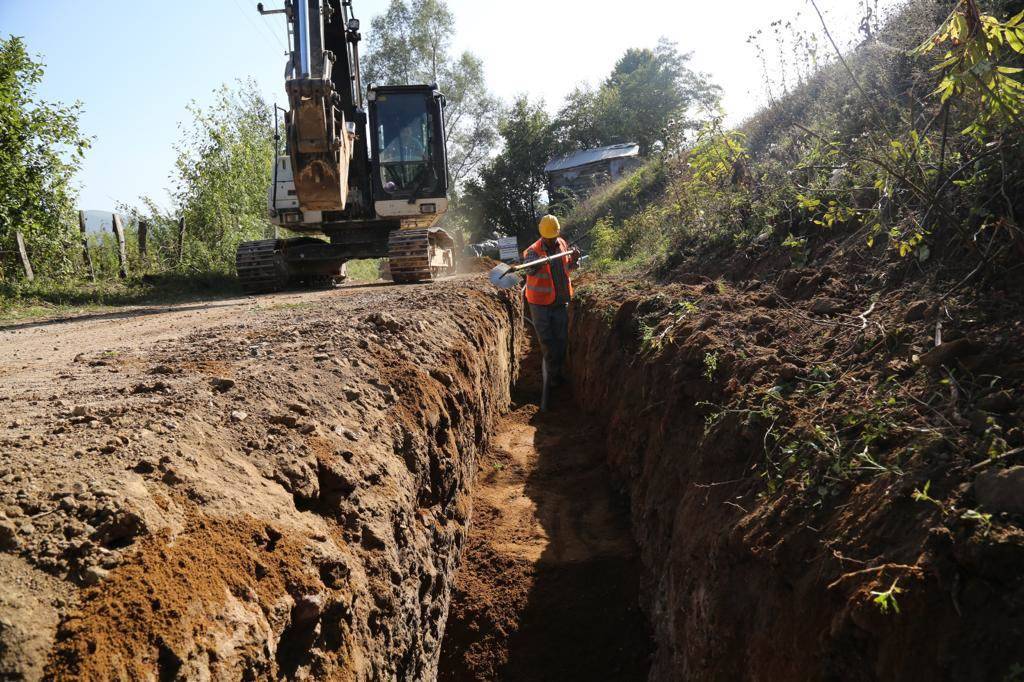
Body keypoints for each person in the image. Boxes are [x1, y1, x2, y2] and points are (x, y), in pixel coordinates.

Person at [523, 214, 581, 387]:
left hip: (560, 302)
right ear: (542, 236)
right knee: (548, 342)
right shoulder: (533, 251)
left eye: (553, 237)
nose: (551, 240)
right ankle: (552, 378)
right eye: (548, 238)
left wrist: (575, 260)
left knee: (561, 340)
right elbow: (529, 270)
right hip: (540, 305)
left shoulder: (562, 244)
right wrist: (537, 263)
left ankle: (560, 372)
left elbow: (568, 267)